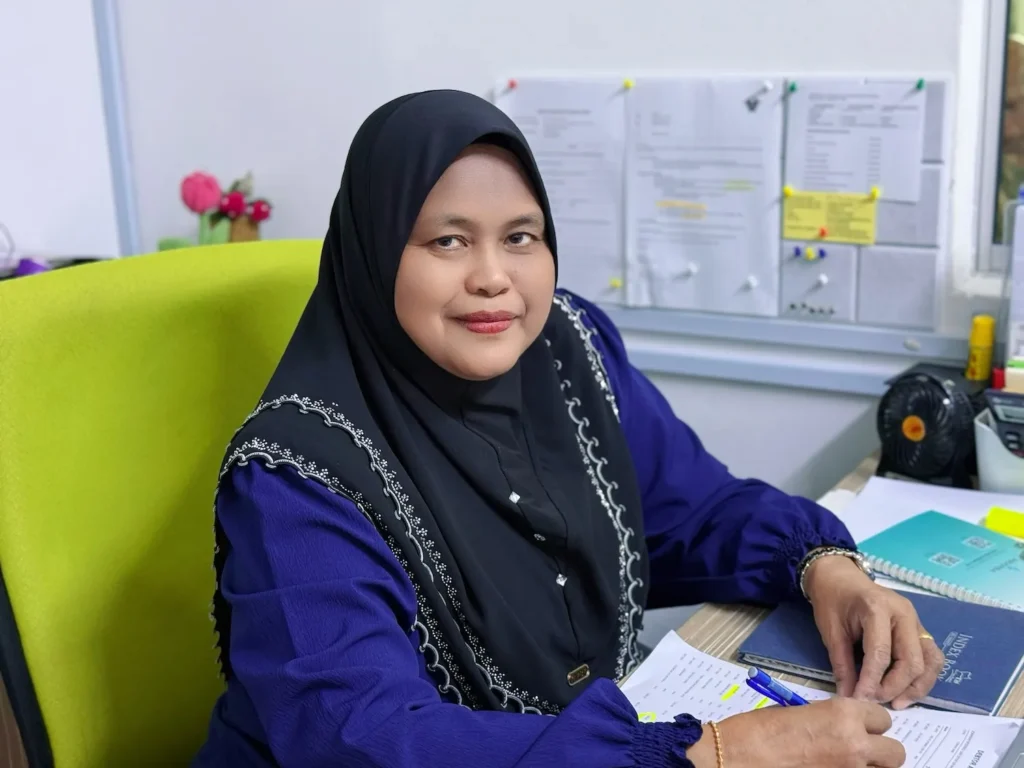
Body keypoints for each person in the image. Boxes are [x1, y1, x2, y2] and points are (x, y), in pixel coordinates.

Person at [193, 90, 943, 768]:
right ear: (375, 255)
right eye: (448, 241)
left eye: (521, 236)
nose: (494, 276)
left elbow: (692, 510)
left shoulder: (564, 347)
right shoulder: (297, 477)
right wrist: (720, 753)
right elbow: (362, 738)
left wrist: (827, 572)